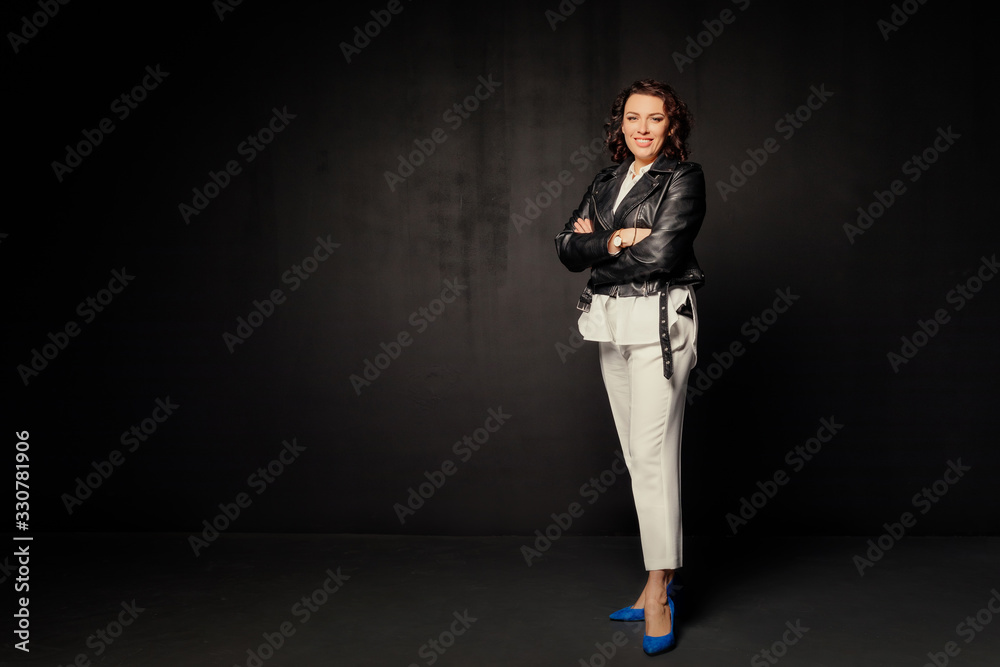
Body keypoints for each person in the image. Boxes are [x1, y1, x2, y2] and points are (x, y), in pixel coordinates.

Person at [554, 79, 705, 656]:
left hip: (662, 323)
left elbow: (664, 255)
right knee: (635, 452)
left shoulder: (684, 179)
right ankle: (654, 583)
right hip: (611, 325)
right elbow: (567, 248)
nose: (643, 128)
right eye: (633, 118)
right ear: (621, 125)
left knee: (653, 452)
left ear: (673, 127)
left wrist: (603, 247)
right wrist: (619, 237)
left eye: (657, 119)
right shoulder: (605, 181)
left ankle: (660, 590)